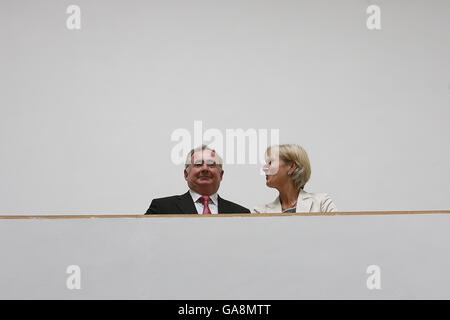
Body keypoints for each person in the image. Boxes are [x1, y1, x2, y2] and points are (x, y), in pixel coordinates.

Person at [146, 145, 250, 214]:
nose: (205, 168)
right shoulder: (162, 208)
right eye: (198, 164)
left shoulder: (241, 214)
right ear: (186, 174)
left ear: (221, 175)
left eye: (211, 164)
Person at [253, 144, 336, 214]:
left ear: (292, 167)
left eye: (270, 162)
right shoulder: (260, 212)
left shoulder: (322, 203)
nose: (264, 168)